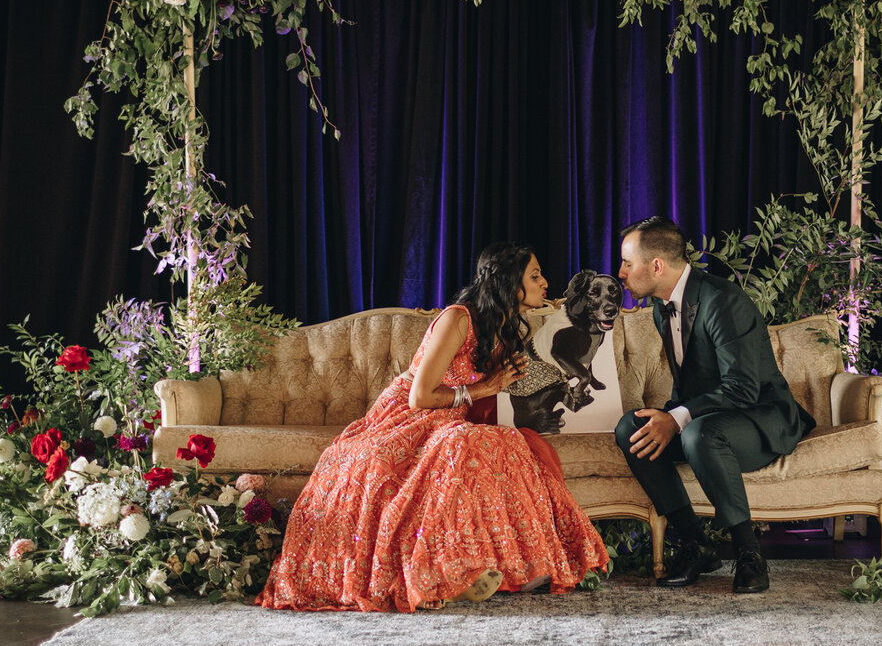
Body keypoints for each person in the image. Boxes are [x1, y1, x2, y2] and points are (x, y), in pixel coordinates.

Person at [257, 242, 608, 612]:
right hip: (407, 417)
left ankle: (507, 564)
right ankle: (433, 575)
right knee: (458, 442)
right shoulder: (459, 319)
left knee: (501, 442)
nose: (545, 282)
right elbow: (420, 396)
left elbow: (508, 389)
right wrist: (484, 388)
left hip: (450, 419)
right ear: (508, 282)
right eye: (535, 275)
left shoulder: (502, 327)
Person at [614, 217, 815, 593]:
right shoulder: (662, 307)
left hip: (760, 414)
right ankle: (697, 545)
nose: (621, 273)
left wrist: (676, 419)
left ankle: (748, 554)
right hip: (711, 415)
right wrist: (668, 416)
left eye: (627, 262)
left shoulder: (723, 301)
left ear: (656, 265)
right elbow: (693, 383)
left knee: (699, 435)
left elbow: (741, 389)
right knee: (631, 427)